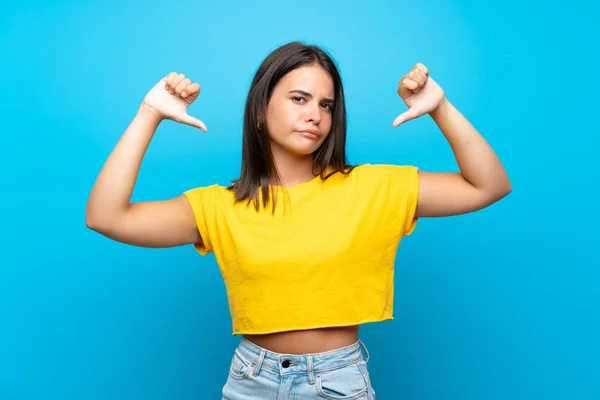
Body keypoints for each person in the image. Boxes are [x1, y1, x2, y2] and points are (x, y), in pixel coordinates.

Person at [85, 41, 511, 399]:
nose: (316, 115)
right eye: (299, 99)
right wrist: (149, 113)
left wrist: (440, 108)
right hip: (249, 380)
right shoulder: (218, 206)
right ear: (259, 110)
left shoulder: (373, 188)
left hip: (337, 382)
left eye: (326, 104)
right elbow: (106, 217)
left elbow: (487, 186)